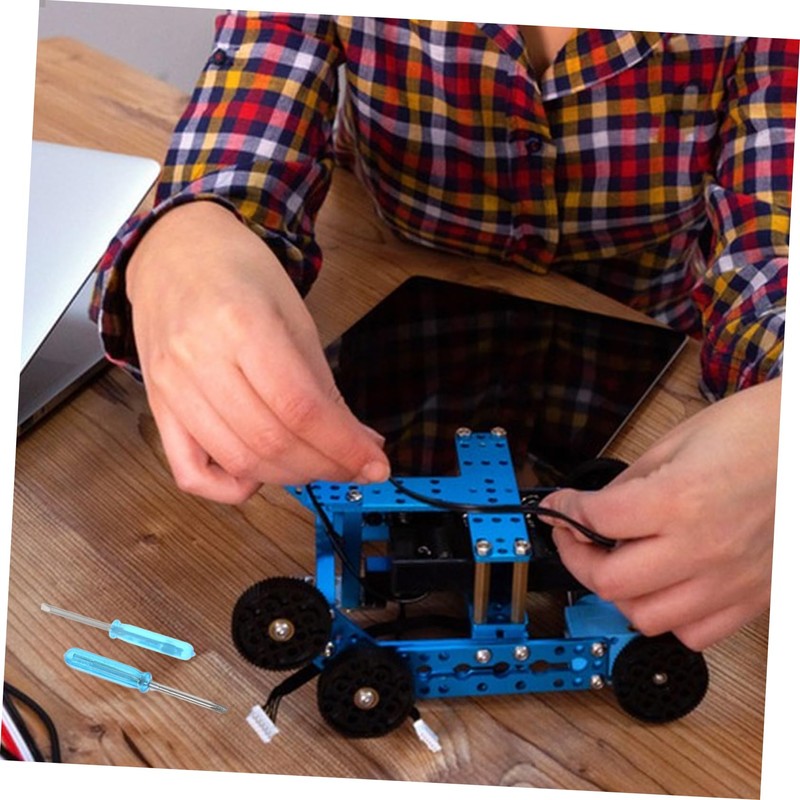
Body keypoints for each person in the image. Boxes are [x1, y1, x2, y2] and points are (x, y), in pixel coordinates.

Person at [92, 14, 797, 652]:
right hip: (394, 314)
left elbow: (774, 253)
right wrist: (187, 238)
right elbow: (252, 104)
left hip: (655, 373)